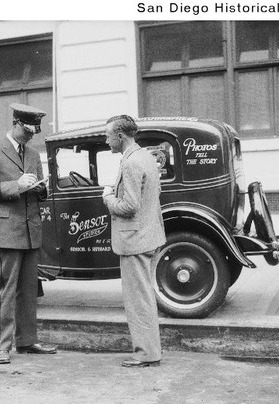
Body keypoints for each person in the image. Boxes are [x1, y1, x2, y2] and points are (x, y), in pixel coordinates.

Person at [0, 103, 56, 364]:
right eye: (30, 131)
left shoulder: (33, 153)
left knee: (29, 290)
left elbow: (42, 191)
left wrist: (42, 189)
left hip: (30, 231)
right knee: (7, 290)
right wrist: (16, 186)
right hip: (6, 231)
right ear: (17, 124)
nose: (33, 136)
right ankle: (2, 346)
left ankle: (27, 341)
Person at [102, 115, 166, 368]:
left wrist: (108, 198)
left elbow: (129, 206)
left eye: (107, 136)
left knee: (138, 299)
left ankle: (146, 354)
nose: (105, 140)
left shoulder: (130, 163)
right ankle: (150, 351)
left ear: (120, 136)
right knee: (145, 297)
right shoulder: (145, 158)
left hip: (134, 240)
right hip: (148, 236)